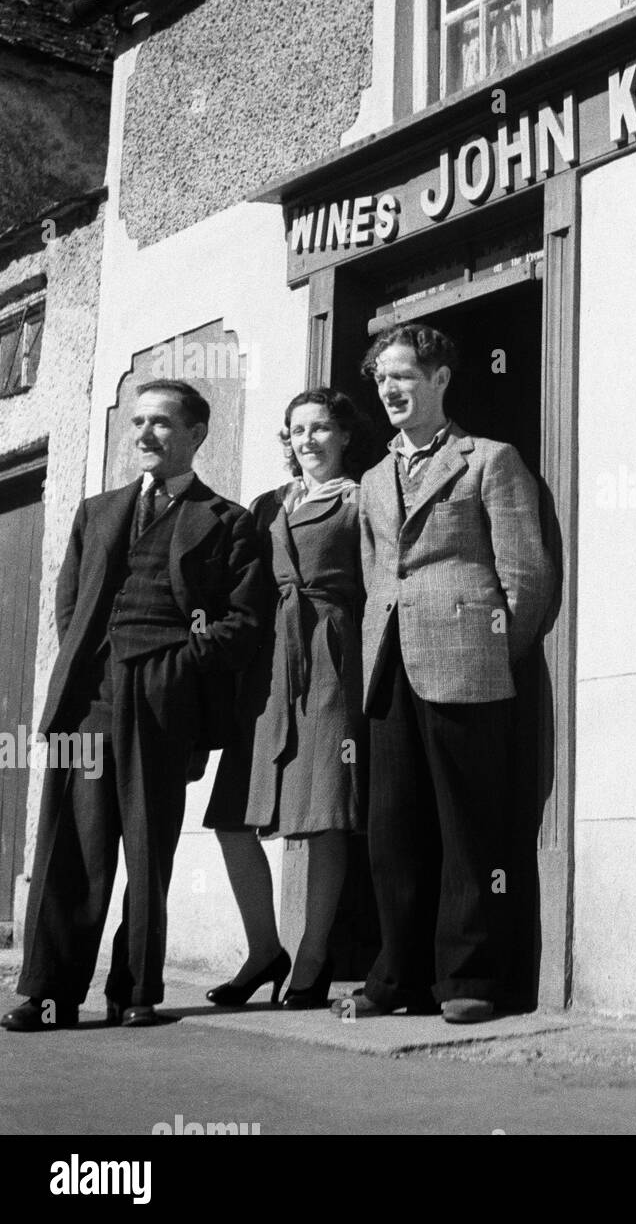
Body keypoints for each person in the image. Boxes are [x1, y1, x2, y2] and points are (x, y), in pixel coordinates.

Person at [2, 380, 268, 1032]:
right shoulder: (97, 513)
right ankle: (48, 992)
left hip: (164, 704)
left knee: (149, 852)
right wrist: (94, 670)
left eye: (161, 423)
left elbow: (246, 622)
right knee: (71, 848)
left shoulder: (228, 521)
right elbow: (70, 605)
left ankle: (134, 993)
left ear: (196, 434)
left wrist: (177, 667)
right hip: (89, 702)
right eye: (138, 422)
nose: (145, 434)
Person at [333, 322, 553, 1024]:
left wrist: (489, 650)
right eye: (381, 380)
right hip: (390, 662)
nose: (390, 390)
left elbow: (527, 577)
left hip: (467, 661)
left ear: (439, 380)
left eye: (402, 376)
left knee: (470, 829)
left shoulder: (490, 459)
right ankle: (395, 976)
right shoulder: (369, 480)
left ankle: (470, 979)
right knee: (391, 826)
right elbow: (376, 576)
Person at [203, 389, 370, 1010]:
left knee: (325, 813)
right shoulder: (266, 505)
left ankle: (313, 958)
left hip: (332, 655)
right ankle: (263, 951)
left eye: (322, 428)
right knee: (231, 819)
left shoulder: (363, 498)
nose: (308, 440)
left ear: (344, 435)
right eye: (297, 430)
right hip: (266, 667)